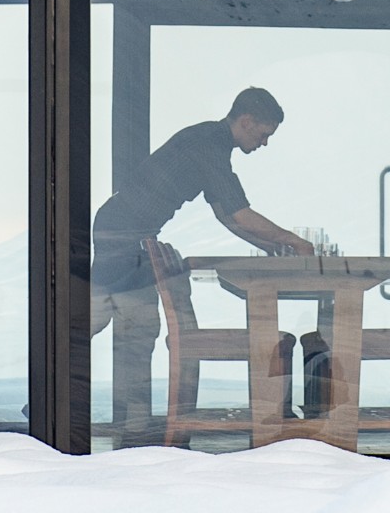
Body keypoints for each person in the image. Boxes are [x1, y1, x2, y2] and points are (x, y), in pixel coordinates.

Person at [90, 87, 313, 440]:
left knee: (124, 325)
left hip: (124, 229)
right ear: (246, 121)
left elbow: (227, 215)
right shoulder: (209, 145)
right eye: (264, 134)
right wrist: (293, 240)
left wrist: (270, 246)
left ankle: (129, 422)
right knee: (114, 322)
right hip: (124, 233)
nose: (264, 143)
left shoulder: (212, 142)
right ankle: (78, 407)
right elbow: (239, 212)